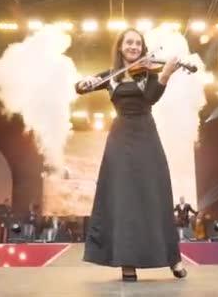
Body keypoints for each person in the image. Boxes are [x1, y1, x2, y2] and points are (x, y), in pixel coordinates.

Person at [76, 28, 186, 282]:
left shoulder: (148, 73)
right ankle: (127, 262)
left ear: (143, 48)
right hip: (120, 138)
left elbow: (151, 97)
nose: (134, 46)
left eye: (138, 43)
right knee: (123, 199)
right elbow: (80, 88)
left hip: (146, 135)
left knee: (156, 194)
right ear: (121, 47)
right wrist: (83, 83)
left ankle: (173, 259)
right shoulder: (111, 76)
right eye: (129, 42)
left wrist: (167, 73)